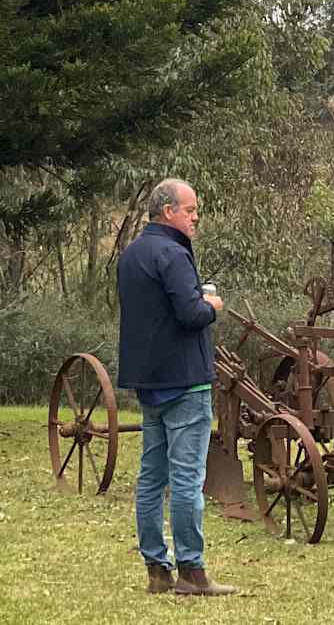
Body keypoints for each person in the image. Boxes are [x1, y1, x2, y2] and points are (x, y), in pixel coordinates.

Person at [116, 178, 237, 598]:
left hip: (149, 383)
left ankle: (156, 569)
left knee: (151, 478)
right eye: (190, 210)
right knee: (187, 480)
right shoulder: (174, 253)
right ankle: (192, 570)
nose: (195, 216)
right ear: (168, 211)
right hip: (186, 383)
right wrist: (211, 305)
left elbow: (152, 313)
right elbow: (190, 315)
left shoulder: (132, 254)